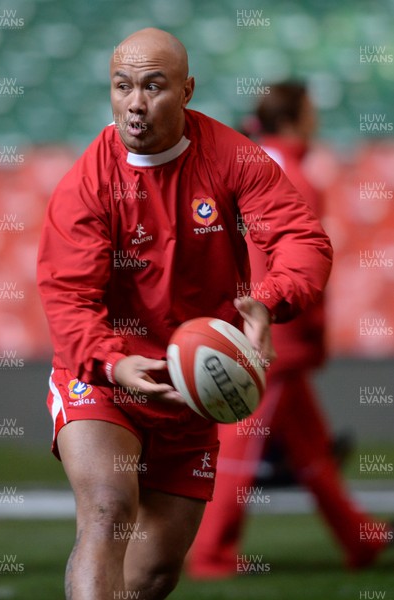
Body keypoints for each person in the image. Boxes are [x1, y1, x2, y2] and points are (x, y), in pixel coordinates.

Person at [37, 32, 332, 600]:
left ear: (187, 91)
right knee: (106, 508)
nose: (136, 104)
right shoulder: (87, 183)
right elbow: (69, 299)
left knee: (153, 573)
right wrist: (112, 363)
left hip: (194, 386)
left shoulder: (232, 157)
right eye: (123, 87)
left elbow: (302, 239)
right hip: (104, 378)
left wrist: (268, 300)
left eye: (153, 86)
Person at [186, 83, 392, 579]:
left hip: (262, 321)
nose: (317, 119)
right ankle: (211, 552)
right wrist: (303, 327)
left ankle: (357, 536)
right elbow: (294, 256)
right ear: (296, 116)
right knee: (241, 443)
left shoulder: (250, 160)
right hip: (276, 330)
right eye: (312, 110)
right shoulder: (293, 172)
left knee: (309, 447)